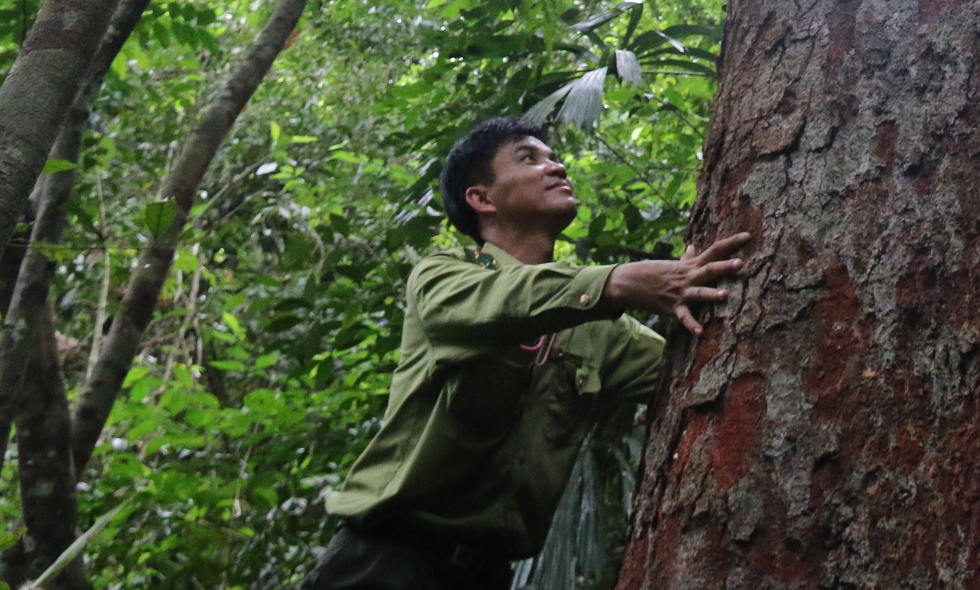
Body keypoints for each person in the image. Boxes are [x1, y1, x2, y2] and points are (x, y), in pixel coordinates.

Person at [302, 117, 752, 590]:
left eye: (553, 157)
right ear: (482, 198)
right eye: (529, 158)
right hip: (383, 562)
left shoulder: (601, 328)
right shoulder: (444, 274)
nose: (555, 166)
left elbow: (698, 376)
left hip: (489, 577)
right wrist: (618, 281)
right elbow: (502, 301)